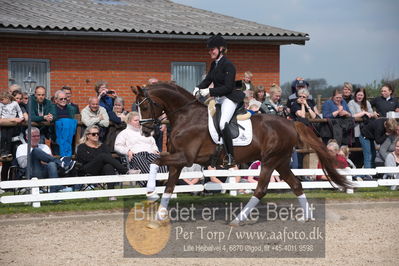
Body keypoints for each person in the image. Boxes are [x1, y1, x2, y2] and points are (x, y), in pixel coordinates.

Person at [195, 35, 245, 166]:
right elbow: (208, 80)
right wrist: (197, 87)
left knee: (223, 123)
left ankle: (230, 156)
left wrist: (209, 91)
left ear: (221, 49)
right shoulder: (214, 64)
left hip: (230, 98)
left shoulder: (229, 65)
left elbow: (228, 87)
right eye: (209, 49)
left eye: (213, 49)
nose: (210, 52)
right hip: (219, 98)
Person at [114, 112, 167, 200]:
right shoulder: (124, 133)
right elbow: (117, 146)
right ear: (129, 121)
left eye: (139, 120)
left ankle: (162, 181)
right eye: (136, 120)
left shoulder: (145, 132)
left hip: (149, 153)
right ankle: (152, 185)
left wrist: (155, 150)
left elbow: (153, 143)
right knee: (140, 160)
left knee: (159, 160)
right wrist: (127, 151)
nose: (138, 122)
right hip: (136, 154)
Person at [76, 125, 133, 199]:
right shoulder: (81, 147)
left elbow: (108, 158)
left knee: (108, 166)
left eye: (98, 134)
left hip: (101, 169)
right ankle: (125, 171)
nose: (96, 135)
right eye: (93, 134)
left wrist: (101, 160)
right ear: (88, 136)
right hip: (87, 169)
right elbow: (84, 159)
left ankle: (111, 194)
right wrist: (100, 159)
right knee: (102, 156)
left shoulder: (103, 146)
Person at [15, 127, 76, 193]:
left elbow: (50, 162)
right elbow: (23, 164)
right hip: (31, 171)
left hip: (44, 172)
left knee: (52, 164)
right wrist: (38, 158)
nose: (36, 138)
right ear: (27, 137)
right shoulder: (22, 147)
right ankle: (61, 163)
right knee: (36, 151)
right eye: (33, 136)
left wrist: (43, 159)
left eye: (38, 136)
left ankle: (54, 192)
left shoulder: (44, 146)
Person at [348, 88, 376, 168]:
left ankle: (362, 171)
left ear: (364, 96)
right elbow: (352, 115)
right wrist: (363, 113)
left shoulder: (367, 103)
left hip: (367, 131)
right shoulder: (351, 103)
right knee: (356, 152)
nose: (359, 96)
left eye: (361, 95)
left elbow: (370, 113)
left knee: (365, 152)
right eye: (358, 95)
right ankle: (354, 170)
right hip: (356, 131)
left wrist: (372, 114)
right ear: (355, 94)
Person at [52, 90, 78, 157]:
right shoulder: (52, 108)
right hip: (57, 135)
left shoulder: (72, 109)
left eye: (65, 99)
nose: (63, 100)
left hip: (70, 135)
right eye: (61, 99)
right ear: (56, 100)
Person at [0, 91, 24, 158]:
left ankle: (7, 152)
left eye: (2, 99)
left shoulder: (15, 103)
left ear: (7, 98)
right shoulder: (1, 104)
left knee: (9, 138)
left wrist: (21, 117)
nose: (1, 101)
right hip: (4, 124)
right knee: (3, 137)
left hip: (11, 125)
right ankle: (2, 152)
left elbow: (19, 111)